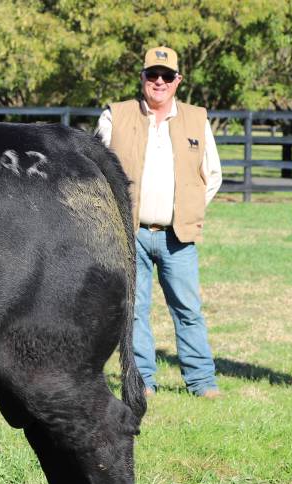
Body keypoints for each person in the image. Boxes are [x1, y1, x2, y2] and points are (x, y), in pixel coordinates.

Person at [97, 46, 223, 398]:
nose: (159, 82)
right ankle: (143, 381)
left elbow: (212, 175)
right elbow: (95, 171)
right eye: (152, 74)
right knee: (134, 311)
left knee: (188, 309)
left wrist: (189, 209)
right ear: (142, 78)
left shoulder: (196, 119)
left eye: (167, 76)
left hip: (176, 235)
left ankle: (201, 381)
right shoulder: (115, 116)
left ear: (178, 81)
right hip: (129, 232)